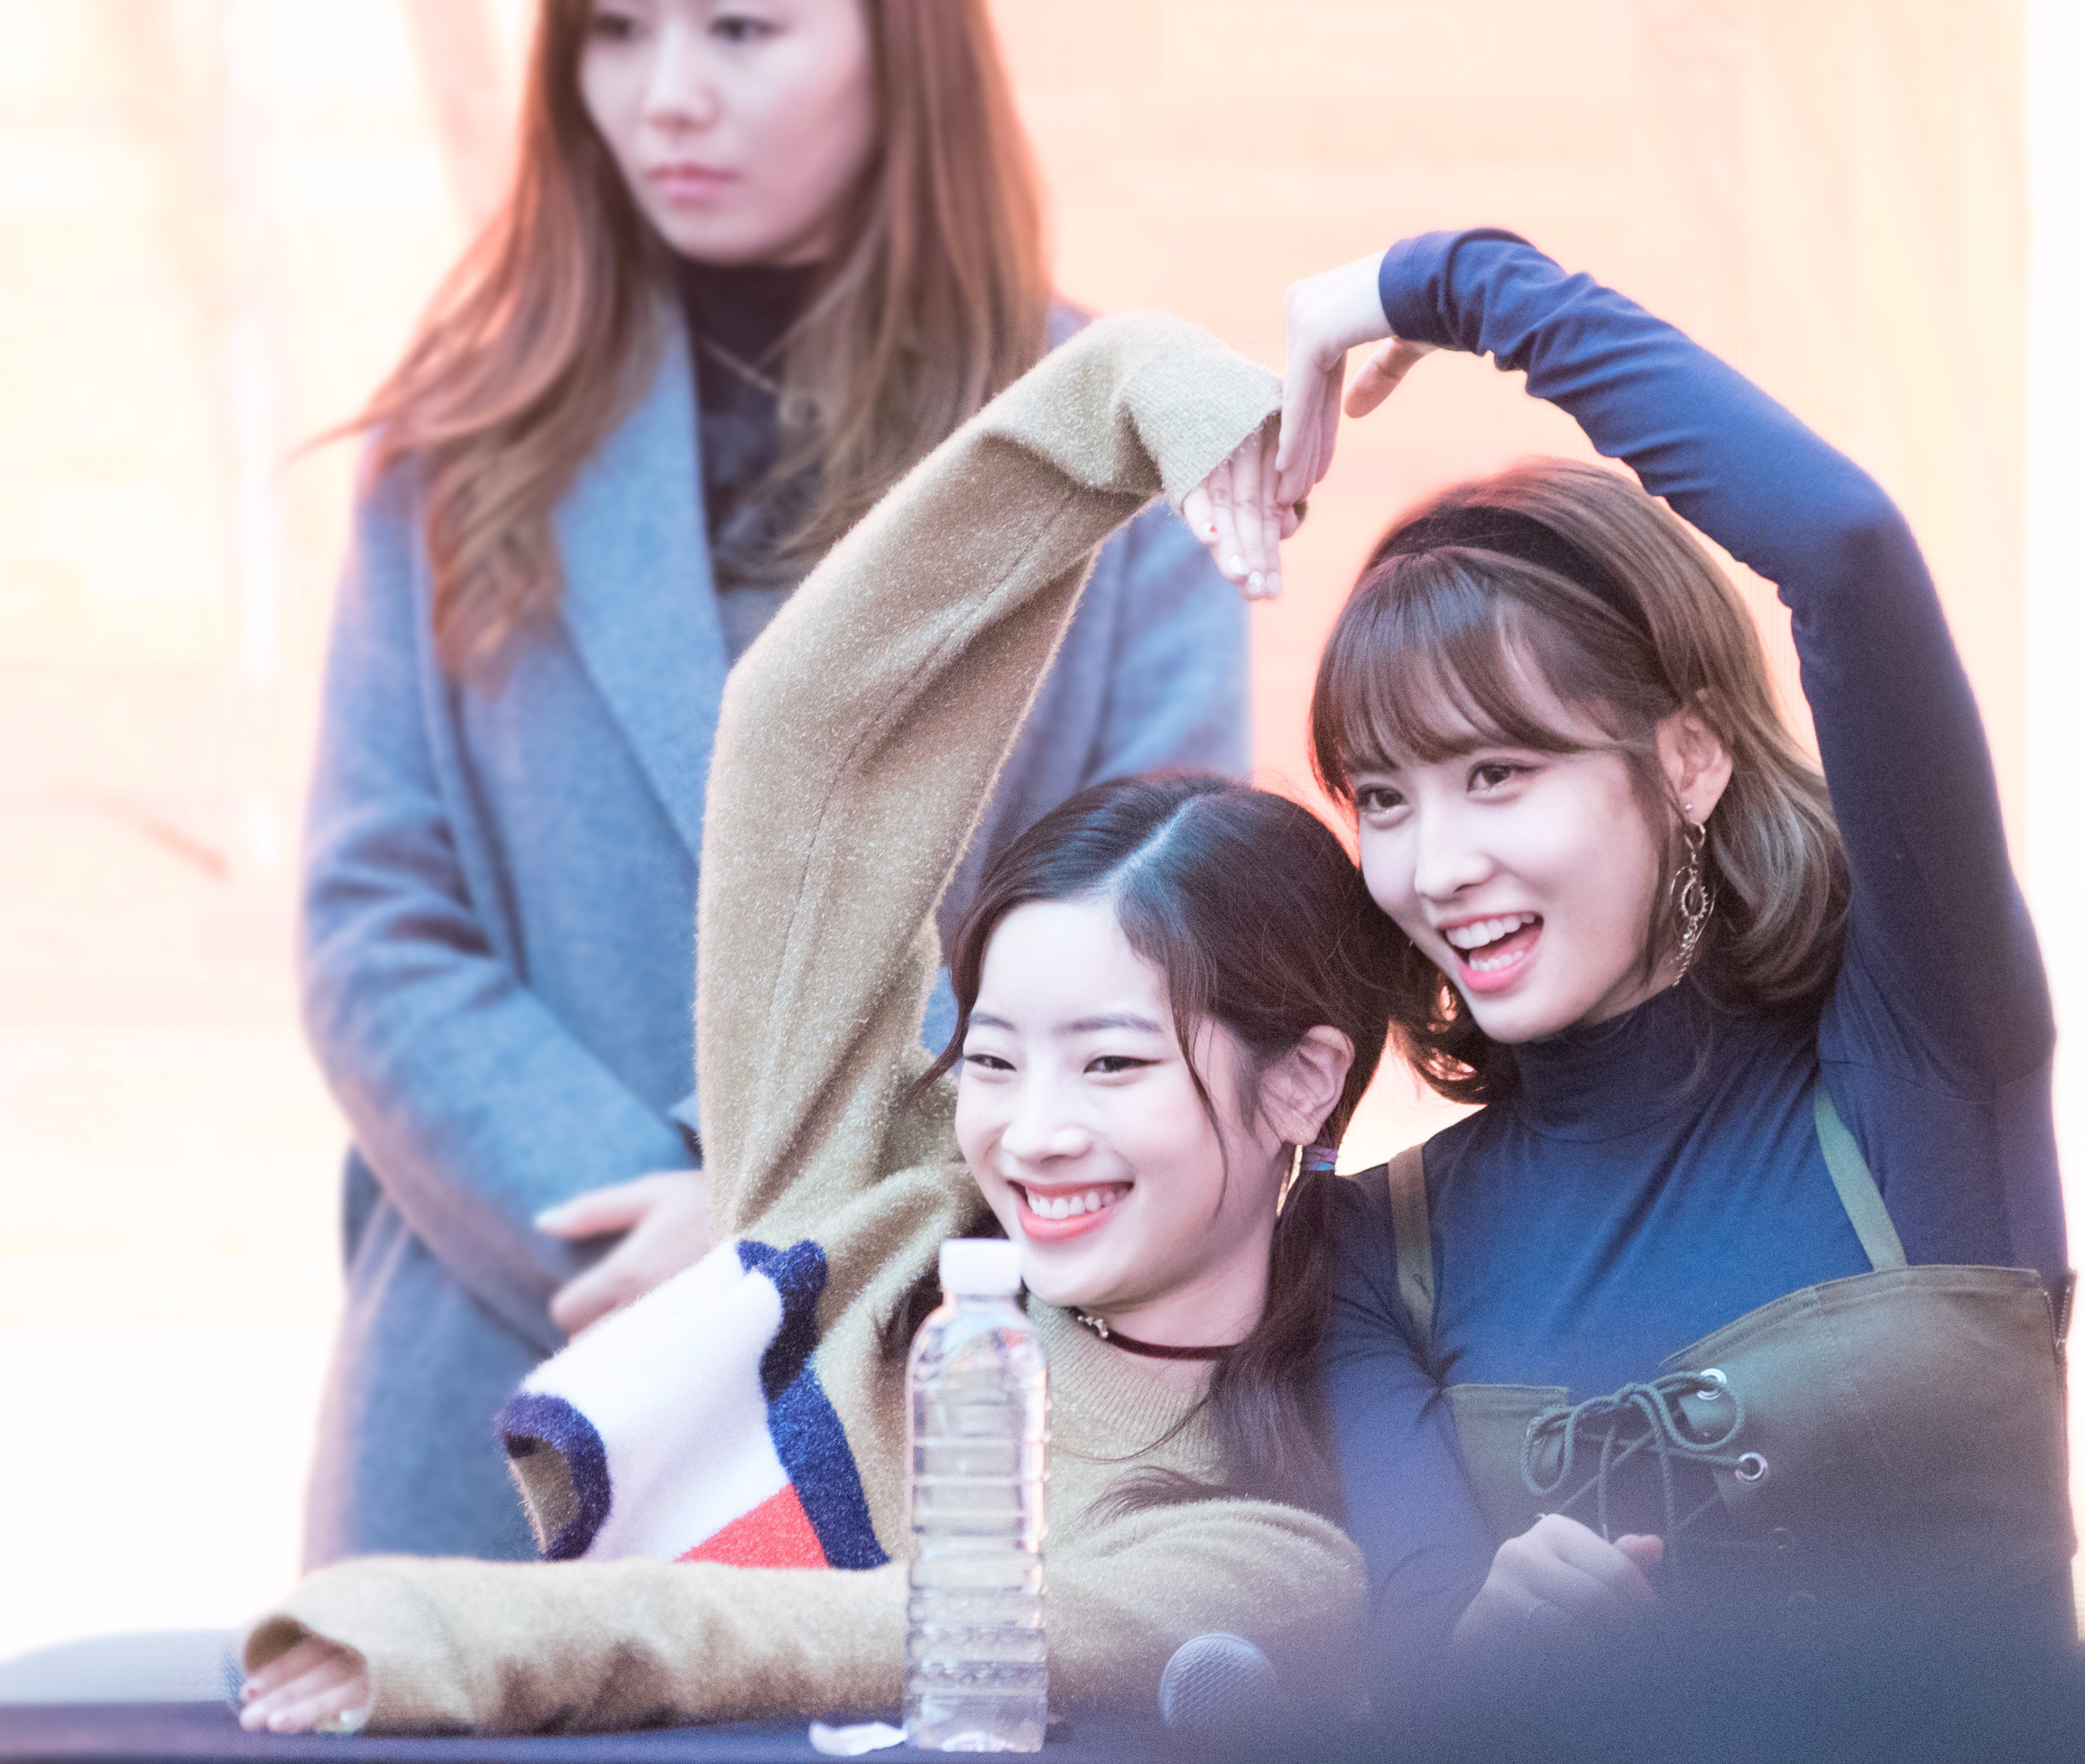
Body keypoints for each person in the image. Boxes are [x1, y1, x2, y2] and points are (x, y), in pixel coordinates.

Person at [238, 313, 1386, 1733]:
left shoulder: (1278, 1537)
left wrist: (447, 1632)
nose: (1033, 1131)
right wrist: (1112, 400)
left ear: (1302, 1082)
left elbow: (857, 1630)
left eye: (1111, 1062)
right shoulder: (875, 1223)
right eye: (992, 1057)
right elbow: (808, 741)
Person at [300, 0, 1244, 1565]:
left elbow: (1156, 933)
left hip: (921, 1375)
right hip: (517, 1355)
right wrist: (645, 1225)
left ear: (900, 46)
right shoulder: (459, 438)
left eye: (741, 30)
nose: (666, 96)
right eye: (615, 32)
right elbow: (371, 921)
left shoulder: (1112, 439)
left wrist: (780, 1235)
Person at [1269, 231, 2080, 1707]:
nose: (1433, 865)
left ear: (1687, 758)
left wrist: (1451, 284)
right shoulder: (1376, 1250)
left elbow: (1842, 549)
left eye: (1497, 773)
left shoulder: (1922, 1059)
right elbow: (1420, 1670)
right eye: (1382, 797)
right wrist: (1494, 1642)